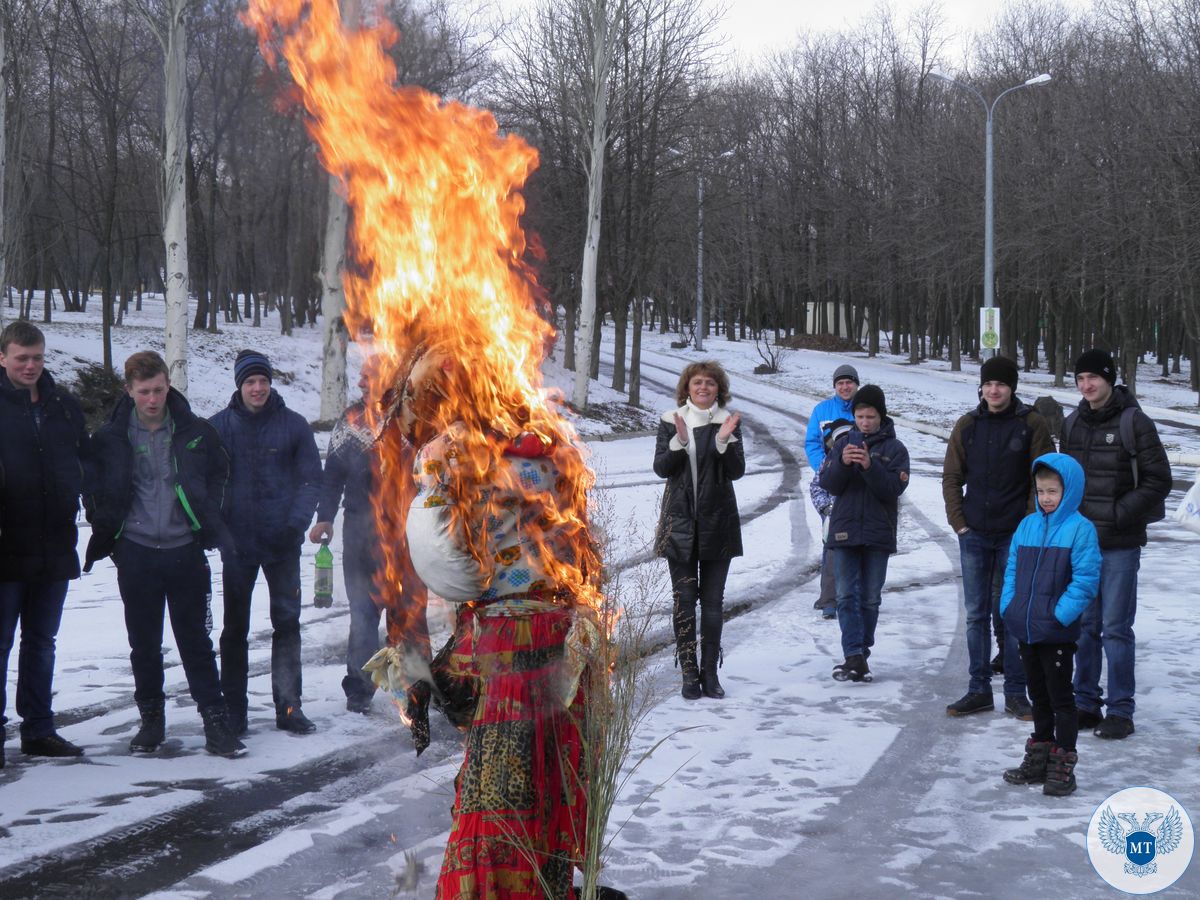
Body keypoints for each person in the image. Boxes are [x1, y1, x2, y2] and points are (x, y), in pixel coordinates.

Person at [378, 346, 599, 898]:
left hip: (505, 635)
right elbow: (582, 550)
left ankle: (498, 886)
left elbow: (443, 565)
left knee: (500, 780)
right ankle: (544, 881)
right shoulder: (554, 448)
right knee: (549, 769)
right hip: (557, 626)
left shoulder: (451, 456)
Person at [84, 351, 244, 758]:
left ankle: (216, 722)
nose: (152, 399)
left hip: (184, 552)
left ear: (168, 386)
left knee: (195, 641)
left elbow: (221, 474)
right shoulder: (111, 437)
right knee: (144, 644)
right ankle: (152, 722)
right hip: (136, 554)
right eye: (144, 392)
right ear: (129, 390)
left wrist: (208, 522)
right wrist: (111, 532)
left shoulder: (194, 431)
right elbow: (92, 486)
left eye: (158, 390)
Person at [1060, 349, 1171, 740]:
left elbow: (1160, 480)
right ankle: (1085, 703)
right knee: (1085, 626)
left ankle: (1121, 710)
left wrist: (1118, 513)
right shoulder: (1071, 423)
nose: (1087, 385)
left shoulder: (1134, 422)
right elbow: (1065, 482)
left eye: (1094, 378)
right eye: (1080, 379)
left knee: (1116, 628)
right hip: (1082, 545)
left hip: (1121, 543)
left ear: (1110, 379)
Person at [210, 349, 322, 736]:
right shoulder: (219, 427)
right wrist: (218, 531)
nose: (257, 388)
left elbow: (311, 480)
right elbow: (205, 483)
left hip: (281, 545)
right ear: (239, 385)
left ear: (270, 383)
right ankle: (234, 710)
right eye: (249, 382)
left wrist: (295, 526)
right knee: (234, 629)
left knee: (287, 624)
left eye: (262, 381)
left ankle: (289, 705)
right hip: (237, 546)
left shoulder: (294, 426)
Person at [309, 361, 429, 714]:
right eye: (361, 378)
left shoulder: (413, 419)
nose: (362, 382)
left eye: (370, 377)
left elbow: (434, 470)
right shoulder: (349, 422)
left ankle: (418, 687)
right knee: (363, 614)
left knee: (410, 612)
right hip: (360, 532)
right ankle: (358, 691)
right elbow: (331, 476)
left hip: (408, 532)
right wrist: (325, 517)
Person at [942, 356, 1054, 720]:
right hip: (974, 533)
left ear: (1012, 388)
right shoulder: (968, 425)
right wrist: (959, 523)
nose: (994, 390)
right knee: (976, 615)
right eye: (989, 384)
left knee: (1012, 614)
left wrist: (1027, 526)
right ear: (981, 387)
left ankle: (1017, 693)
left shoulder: (1031, 425)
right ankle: (978, 689)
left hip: (1015, 536)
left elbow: (1043, 479)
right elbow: (951, 478)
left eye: (1001, 384)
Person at [0, 321, 88, 763]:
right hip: (5, 549)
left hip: (54, 546)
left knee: (41, 642)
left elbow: (86, 464)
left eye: (37, 357)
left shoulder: (64, 408)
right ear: (3, 358)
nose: (31, 365)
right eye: (22, 358)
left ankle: (38, 729)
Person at [999, 454, 1100, 796]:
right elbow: (1012, 568)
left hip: (1055, 630)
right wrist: (1009, 606)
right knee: (1037, 695)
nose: (1046, 497)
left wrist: (1059, 615)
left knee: (1060, 698)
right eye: (1041, 490)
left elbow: (1086, 580)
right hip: (1026, 628)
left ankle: (1062, 762)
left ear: (1069, 491)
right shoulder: (1027, 525)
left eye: (1053, 491)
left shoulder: (1079, 529)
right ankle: (1040, 754)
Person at [653, 360, 745, 700]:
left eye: (709, 383)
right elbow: (661, 467)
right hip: (679, 525)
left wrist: (724, 442)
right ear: (687, 389)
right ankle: (689, 673)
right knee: (684, 602)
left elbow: (737, 471)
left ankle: (710, 674)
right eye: (697, 383)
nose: (703, 387)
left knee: (713, 603)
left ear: (718, 388)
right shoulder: (670, 421)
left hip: (718, 524)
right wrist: (678, 442)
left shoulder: (728, 421)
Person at [819, 385, 909, 682]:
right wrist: (843, 463)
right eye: (860, 416)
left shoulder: (896, 449)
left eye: (871, 416)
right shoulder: (842, 442)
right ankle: (853, 654)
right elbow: (829, 483)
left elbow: (893, 489)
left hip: (878, 531)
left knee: (870, 597)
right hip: (844, 530)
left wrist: (869, 466)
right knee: (845, 595)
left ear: (881, 416)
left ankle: (861, 653)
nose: (865, 422)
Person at [804, 365, 859, 617]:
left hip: (859, 482)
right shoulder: (822, 410)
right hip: (829, 484)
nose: (845, 387)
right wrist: (826, 469)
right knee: (832, 544)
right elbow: (812, 443)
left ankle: (855, 595)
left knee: (860, 543)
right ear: (835, 386)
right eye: (840, 383)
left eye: (849, 382)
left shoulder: (864, 407)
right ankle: (829, 598)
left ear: (856, 384)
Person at [810, 418, 852, 620]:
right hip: (833, 518)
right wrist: (825, 508)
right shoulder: (827, 461)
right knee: (831, 559)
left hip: (857, 517)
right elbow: (816, 487)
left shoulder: (861, 458)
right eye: (839, 440)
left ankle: (852, 599)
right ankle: (828, 600)